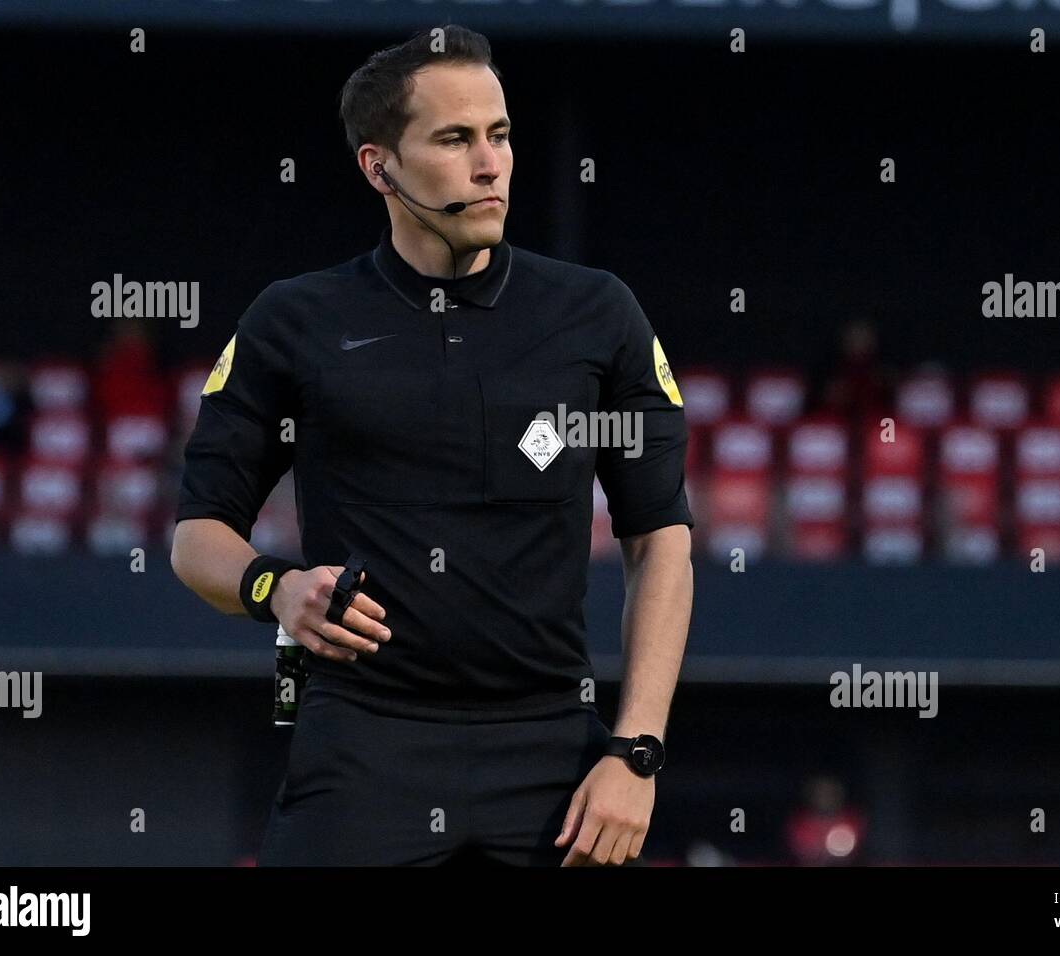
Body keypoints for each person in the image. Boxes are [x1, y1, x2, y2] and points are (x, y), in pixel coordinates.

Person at [170, 25, 695, 866]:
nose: (491, 164)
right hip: (360, 747)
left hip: (552, 750)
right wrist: (276, 588)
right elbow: (197, 539)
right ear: (380, 167)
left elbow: (660, 542)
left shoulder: (599, 315)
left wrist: (636, 754)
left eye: (501, 134)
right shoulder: (294, 320)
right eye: (455, 139)